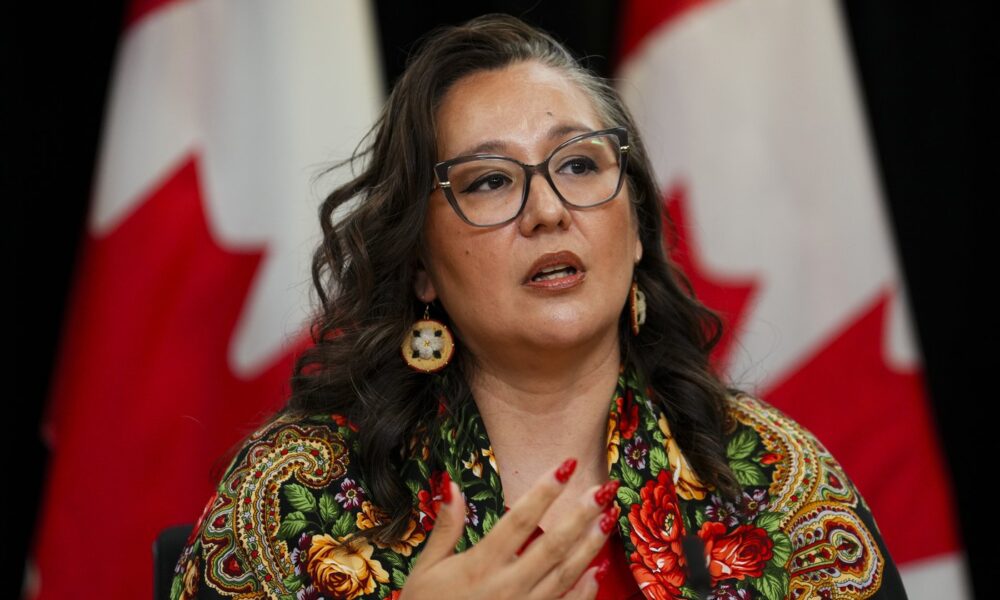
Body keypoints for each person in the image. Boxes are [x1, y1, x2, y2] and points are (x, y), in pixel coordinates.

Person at [169, 13, 908, 600]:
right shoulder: (297, 493)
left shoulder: (773, 482)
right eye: (490, 181)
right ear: (421, 266)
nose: (548, 211)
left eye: (579, 164)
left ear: (637, 229)